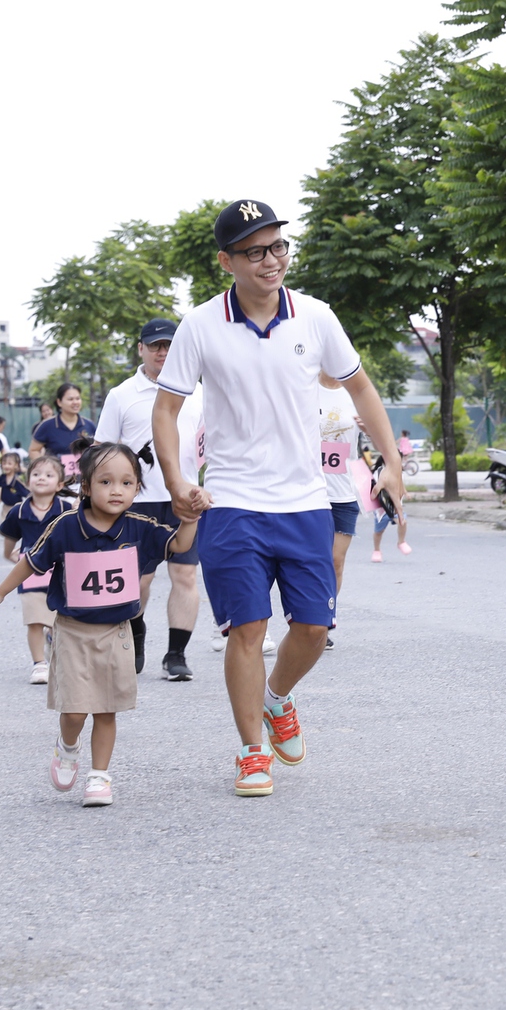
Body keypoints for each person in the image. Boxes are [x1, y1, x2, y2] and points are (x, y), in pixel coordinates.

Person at [149, 199, 406, 797]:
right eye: (255, 251)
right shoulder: (201, 326)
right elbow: (167, 408)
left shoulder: (315, 317)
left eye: (279, 247)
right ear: (227, 261)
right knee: (247, 629)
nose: (272, 260)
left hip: (305, 501)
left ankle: (277, 699)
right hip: (233, 501)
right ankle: (250, 752)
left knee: (314, 627)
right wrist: (177, 479)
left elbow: (361, 390)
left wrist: (391, 464)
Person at [0, 442, 200, 807]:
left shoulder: (139, 527)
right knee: (76, 710)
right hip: (72, 630)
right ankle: (67, 746)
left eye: (127, 483)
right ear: (85, 486)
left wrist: (190, 518)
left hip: (117, 633)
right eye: (106, 482)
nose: (117, 490)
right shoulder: (65, 526)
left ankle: (100, 776)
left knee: (107, 708)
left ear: (137, 489)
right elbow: (31, 563)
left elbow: (177, 545)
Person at [95, 317, 205, 680]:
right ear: (140, 349)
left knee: (185, 575)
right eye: (155, 345)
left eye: (170, 345)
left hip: (185, 497)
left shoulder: (199, 392)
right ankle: (136, 635)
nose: (163, 352)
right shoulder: (122, 394)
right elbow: (100, 451)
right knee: (138, 582)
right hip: (136, 504)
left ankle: (176, 654)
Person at [0, 453, 74, 683]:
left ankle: (55, 646)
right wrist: (10, 556)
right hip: (31, 572)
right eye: (36, 474)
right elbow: (10, 539)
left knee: (59, 619)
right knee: (34, 619)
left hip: (63, 573)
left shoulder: (67, 509)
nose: (42, 478)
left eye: (49, 475)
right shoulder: (18, 511)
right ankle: (39, 664)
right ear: (27, 479)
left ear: (60, 484)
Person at [318, 373, 362, 650]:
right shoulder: (303, 385)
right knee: (308, 560)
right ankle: (304, 621)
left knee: (335, 561)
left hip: (343, 491)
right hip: (308, 491)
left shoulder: (356, 392)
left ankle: (323, 621)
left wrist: (369, 428)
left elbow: (375, 434)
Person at [33, 383, 94, 477]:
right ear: (59, 402)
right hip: (58, 481)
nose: (75, 402)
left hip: (85, 480)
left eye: (77, 398)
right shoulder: (47, 425)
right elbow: (33, 450)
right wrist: (46, 467)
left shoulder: (89, 425)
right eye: (70, 399)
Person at [366, 444, 411, 561]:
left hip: (396, 506)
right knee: (379, 531)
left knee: (402, 521)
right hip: (382, 508)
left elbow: (401, 483)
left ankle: (401, 541)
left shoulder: (399, 472)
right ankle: (376, 550)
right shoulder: (379, 472)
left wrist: (405, 492)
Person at [0, 449, 28, 517]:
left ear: (16, 465)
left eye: (9, 464)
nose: (6, 466)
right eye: (4, 463)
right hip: (5, 507)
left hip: (17, 507)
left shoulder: (18, 480)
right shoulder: (2, 478)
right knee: (4, 525)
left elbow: (27, 493)